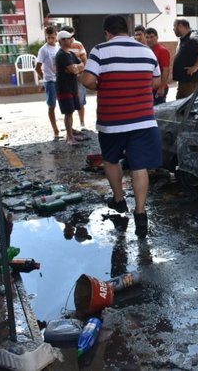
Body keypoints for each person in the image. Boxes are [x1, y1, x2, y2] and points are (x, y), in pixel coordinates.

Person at [81, 15, 162, 237]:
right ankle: (141, 213)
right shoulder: (147, 51)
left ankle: (118, 200)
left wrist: (102, 85)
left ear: (107, 32)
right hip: (144, 120)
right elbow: (156, 81)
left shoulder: (101, 49)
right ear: (127, 30)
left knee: (111, 159)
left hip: (113, 120)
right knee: (139, 166)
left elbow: (88, 80)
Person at [54, 30, 84, 145]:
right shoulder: (61, 54)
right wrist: (75, 68)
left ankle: (70, 135)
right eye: (68, 38)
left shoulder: (70, 54)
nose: (71, 40)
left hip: (72, 86)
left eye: (71, 38)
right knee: (68, 112)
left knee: (71, 112)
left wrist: (75, 68)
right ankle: (70, 137)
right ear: (62, 41)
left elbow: (81, 65)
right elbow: (73, 69)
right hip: (64, 87)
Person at [172, 17, 198, 99]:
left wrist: (195, 67)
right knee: (180, 107)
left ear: (181, 26)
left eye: (174, 26)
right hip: (184, 82)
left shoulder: (193, 38)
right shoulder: (185, 39)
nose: (173, 29)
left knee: (188, 107)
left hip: (191, 83)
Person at [35, 26, 61, 139]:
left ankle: (68, 127)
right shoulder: (43, 50)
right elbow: (37, 67)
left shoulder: (59, 47)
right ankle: (55, 129)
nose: (51, 40)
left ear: (56, 36)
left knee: (65, 104)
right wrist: (44, 79)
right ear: (46, 37)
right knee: (52, 105)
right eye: (48, 38)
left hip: (60, 79)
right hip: (50, 81)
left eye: (53, 37)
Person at [61, 25, 88, 130]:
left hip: (79, 77)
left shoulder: (78, 44)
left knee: (80, 101)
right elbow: (64, 68)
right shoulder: (61, 48)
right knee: (69, 104)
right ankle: (70, 129)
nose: (71, 38)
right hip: (67, 80)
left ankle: (82, 123)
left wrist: (77, 70)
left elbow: (84, 60)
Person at [144, 27, 170, 105]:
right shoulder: (147, 50)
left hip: (159, 89)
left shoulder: (162, 50)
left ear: (157, 37)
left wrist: (161, 88)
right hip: (150, 88)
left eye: (152, 37)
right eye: (147, 37)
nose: (149, 39)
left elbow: (166, 70)